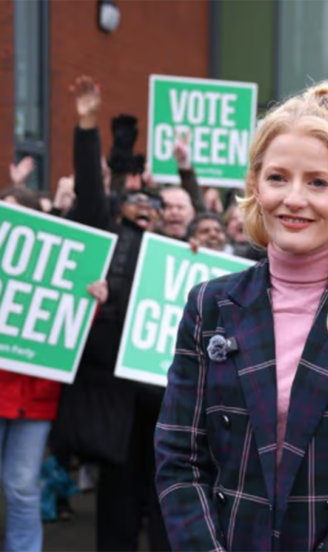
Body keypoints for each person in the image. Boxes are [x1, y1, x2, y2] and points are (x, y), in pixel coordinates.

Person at [155, 81, 328, 550]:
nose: (294, 198)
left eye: (317, 182)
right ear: (256, 186)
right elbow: (180, 459)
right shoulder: (209, 305)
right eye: (278, 177)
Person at [48, 75, 171, 552]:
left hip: (164, 396)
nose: (146, 209)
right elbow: (92, 192)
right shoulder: (109, 235)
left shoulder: (182, 251)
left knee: (166, 493)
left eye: (154, 204)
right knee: (118, 494)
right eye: (136, 202)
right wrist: (87, 124)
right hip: (117, 391)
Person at [0, 196, 107, 552]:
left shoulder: (61, 271)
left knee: (22, 486)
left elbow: (69, 330)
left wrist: (91, 301)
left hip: (36, 400)